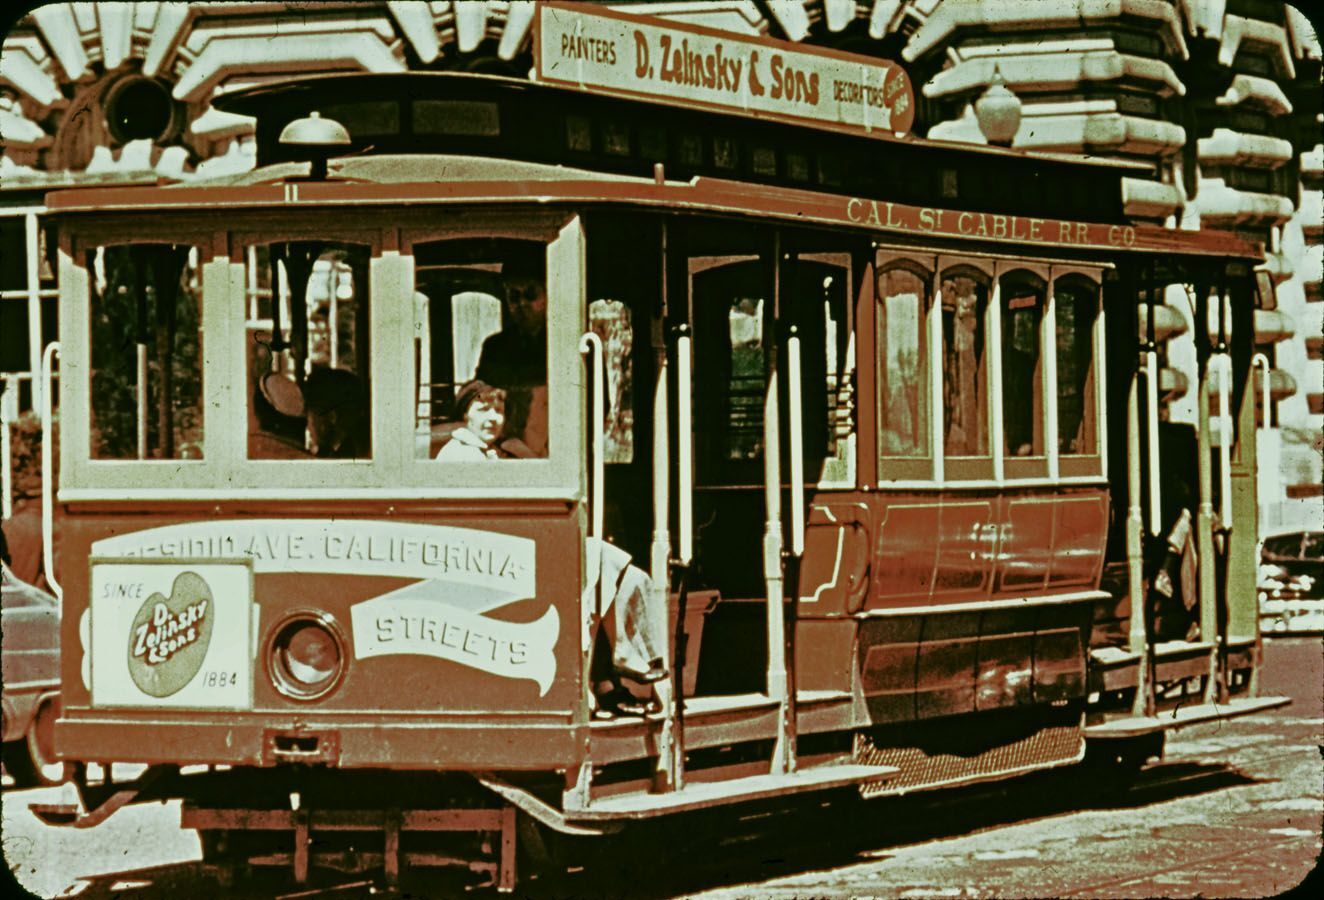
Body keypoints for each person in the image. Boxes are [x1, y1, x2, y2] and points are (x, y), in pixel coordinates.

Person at [474, 254, 548, 457]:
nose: (522, 303)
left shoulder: (565, 345)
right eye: (514, 296)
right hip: (503, 451)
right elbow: (482, 399)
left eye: (530, 294)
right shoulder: (495, 347)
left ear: (547, 294)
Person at [436, 380, 506, 461]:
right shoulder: (460, 454)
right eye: (483, 410)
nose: (493, 417)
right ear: (465, 415)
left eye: (499, 410)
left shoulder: (493, 452)